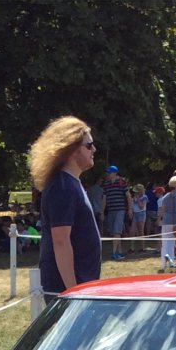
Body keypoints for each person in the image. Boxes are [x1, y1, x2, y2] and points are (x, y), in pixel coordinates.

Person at [28, 115, 101, 297]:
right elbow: (61, 242)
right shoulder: (62, 186)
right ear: (72, 149)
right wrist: (73, 292)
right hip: (68, 289)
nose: (94, 149)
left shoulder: (71, 183)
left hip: (81, 284)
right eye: (89, 145)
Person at [101, 165, 130, 260]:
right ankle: (120, 252)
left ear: (114, 173)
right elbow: (104, 199)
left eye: (109, 173)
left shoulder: (122, 182)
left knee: (116, 231)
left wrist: (130, 209)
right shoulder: (106, 184)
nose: (108, 174)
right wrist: (102, 212)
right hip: (111, 210)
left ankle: (114, 253)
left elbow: (128, 196)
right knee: (115, 232)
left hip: (120, 210)